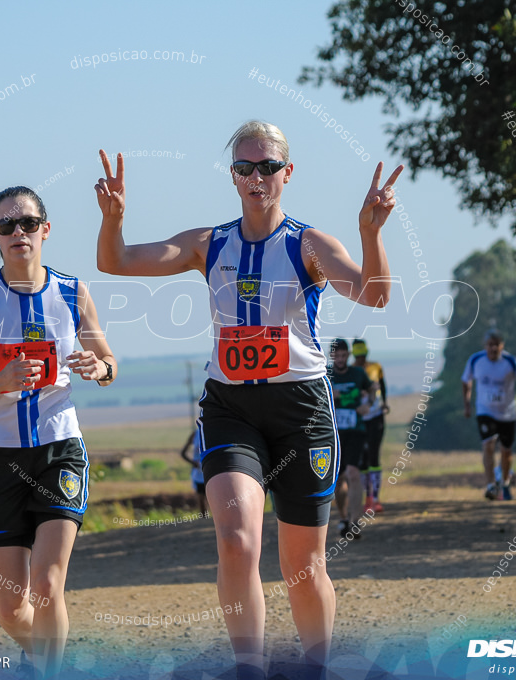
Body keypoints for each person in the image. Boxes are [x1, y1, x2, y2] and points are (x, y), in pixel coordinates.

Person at [96, 120, 402, 678]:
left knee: (302, 567)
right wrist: (112, 220)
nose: (255, 176)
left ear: (287, 173)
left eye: (266, 166)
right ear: (233, 177)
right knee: (237, 543)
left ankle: (316, 666)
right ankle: (249, 668)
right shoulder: (208, 243)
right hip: (231, 409)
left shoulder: (309, 244)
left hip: (301, 412)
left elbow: (375, 296)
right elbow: (115, 261)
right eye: (244, 167)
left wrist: (370, 232)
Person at [0, 186, 116, 680]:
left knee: (47, 582)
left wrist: (95, 366)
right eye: (7, 226)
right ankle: (46, 657)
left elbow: (109, 363)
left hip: (61, 449)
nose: (19, 232)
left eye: (28, 223)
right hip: (2, 458)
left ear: (46, 229)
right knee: (12, 612)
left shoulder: (73, 291)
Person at [461, 330, 516, 501]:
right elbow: (466, 381)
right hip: (485, 411)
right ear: (485, 346)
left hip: (507, 413)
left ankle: (505, 483)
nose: (493, 349)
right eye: (489, 345)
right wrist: (467, 404)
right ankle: (491, 484)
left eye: (496, 345)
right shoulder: (476, 360)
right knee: (488, 445)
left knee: (506, 451)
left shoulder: (511, 362)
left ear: (502, 346)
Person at [330, 339, 375, 537]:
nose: (340, 359)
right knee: (338, 480)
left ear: (348, 355)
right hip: (333, 432)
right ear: (332, 356)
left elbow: (372, 387)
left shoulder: (357, 374)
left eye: (343, 355)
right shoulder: (324, 374)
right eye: (336, 356)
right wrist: (330, 395)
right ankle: (343, 518)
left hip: (355, 429)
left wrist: (369, 404)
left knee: (353, 473)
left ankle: (356, 521)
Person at [351, 338, 389, 513]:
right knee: (363, 460)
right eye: (357, 356)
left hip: (376, 417)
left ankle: (376, 499)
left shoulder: (376, 366)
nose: (360, 359)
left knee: (374, 457)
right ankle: (367, 498)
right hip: (360, 420)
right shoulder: (351, 371)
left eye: (362, 355)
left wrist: (385, 403)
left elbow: (382, 385)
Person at [179, 430, 209, 517]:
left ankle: (213, 522)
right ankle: (203, 521)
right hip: (199, 474)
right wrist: (193, 463)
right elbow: (183, 453)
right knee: (201, 500)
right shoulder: (195, 434)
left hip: (211, 471)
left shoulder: (213, 430)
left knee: (213, 499)